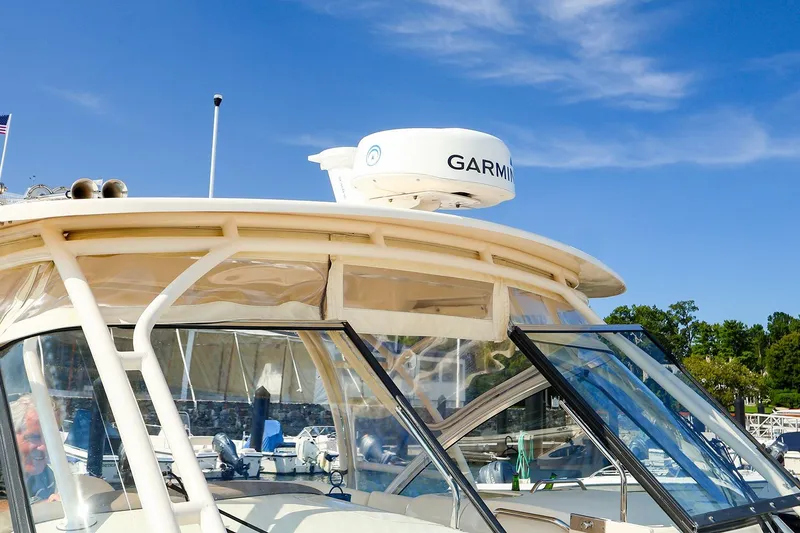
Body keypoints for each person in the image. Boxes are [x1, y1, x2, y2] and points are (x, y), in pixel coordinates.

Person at [9, 395, 59, 504]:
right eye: (34, 437)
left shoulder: (47, 476)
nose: (43, 447)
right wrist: (41, 507)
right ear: (11, 436)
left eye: (49, 438)